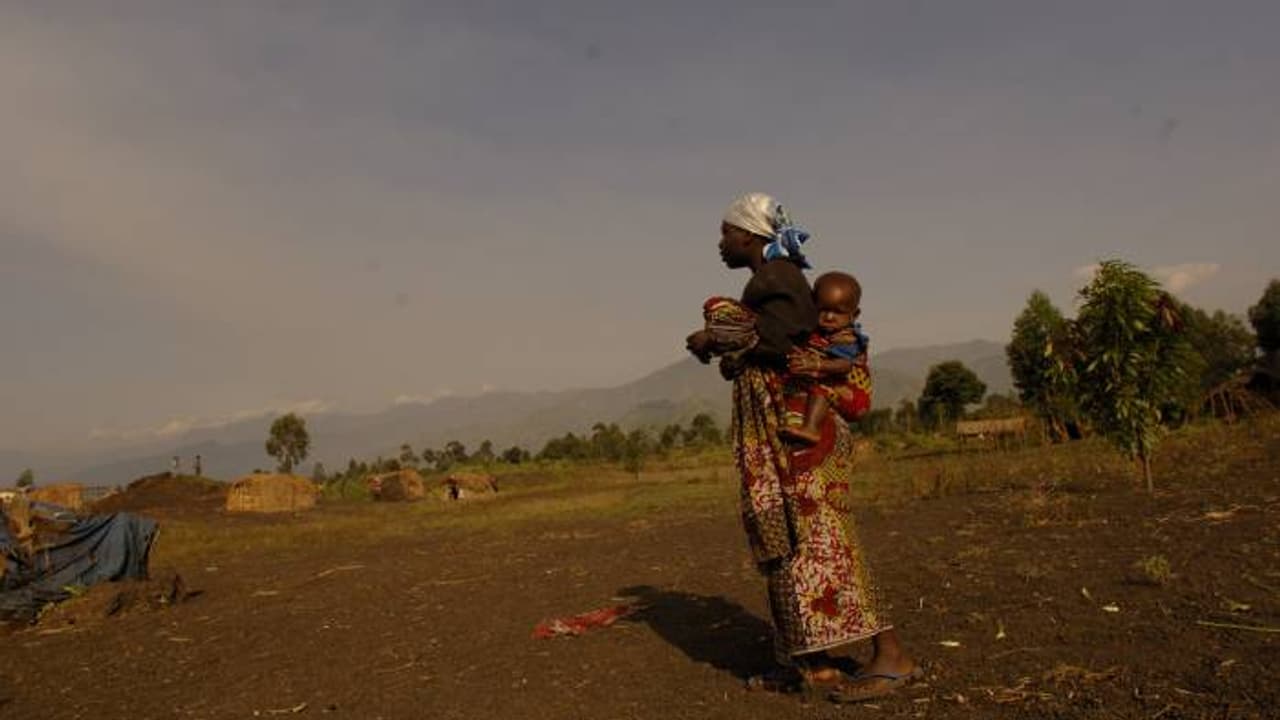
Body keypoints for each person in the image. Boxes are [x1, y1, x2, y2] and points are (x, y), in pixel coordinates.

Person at [685, 193, 918, 701]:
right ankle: (814, 663)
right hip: (781, 438)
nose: (720, 242)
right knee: (793, 548)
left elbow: (784, 342)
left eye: (726, 232)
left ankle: (891, 654)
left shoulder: (778, 280)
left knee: (824, 541)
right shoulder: (773, 282)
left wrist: (718, 334)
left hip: (797, 440)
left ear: (749, 235)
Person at [778, 271, 871, 446]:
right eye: (823, 310)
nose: (829, 316)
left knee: (822, 389)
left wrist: (815, 364)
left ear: (854, 315)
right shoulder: (815, 333)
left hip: (852, 395)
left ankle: (811, 429)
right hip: (827, 383)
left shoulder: (846, 338)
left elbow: (844, 366)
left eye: (838, 312)